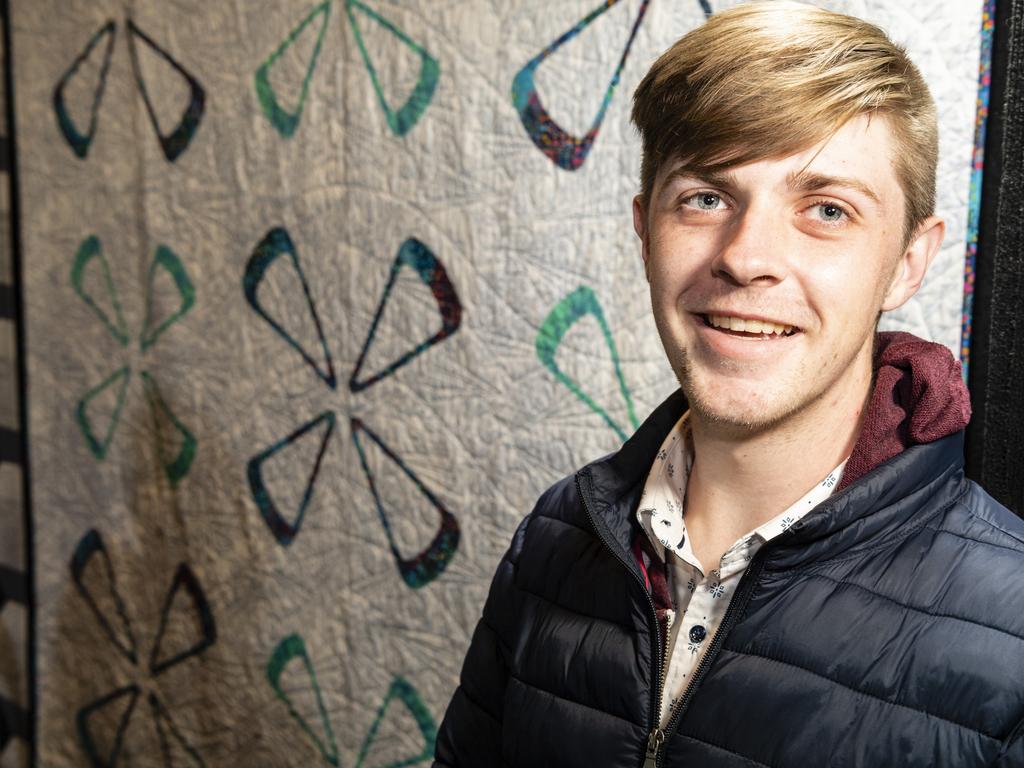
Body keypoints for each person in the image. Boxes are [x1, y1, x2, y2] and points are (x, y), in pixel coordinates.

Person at [434, 3, 1024, 766]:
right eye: (707, 198)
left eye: (826, 209)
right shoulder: (553, 538)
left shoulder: (1011, 633)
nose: (746, 257)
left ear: (909, 261)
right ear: (646, 232)